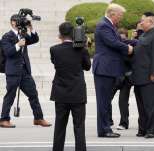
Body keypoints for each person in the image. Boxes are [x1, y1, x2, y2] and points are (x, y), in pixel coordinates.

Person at [0, 14, 51, 128]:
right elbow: (8, 52)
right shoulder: (6, 37)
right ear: (13, 22)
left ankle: (38, 118)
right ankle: (4, 119)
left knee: (33, 94)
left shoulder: (22, 34)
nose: (20, 23)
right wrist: (18, 44)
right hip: (13, 71)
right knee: (10, 95)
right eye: (18, 21)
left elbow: (34, 39)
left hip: (24, 71)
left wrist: (30, 28)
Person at [92, 3, 133, 138]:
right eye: (120, 15)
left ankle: (105, 128)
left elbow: (119, 40)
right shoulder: (104, 25)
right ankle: (104, 129)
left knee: (105, 101)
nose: (121, 18)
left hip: (108, 68)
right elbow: (113, 43)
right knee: (103, 101)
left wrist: (137, 42)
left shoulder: (108, 25)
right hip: (104, 68)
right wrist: (128, 48)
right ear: (112, 13)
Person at [50, 22, 91, 151]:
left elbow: (54, 62)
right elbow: (87, 67)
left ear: (60, 35)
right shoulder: (82, 50)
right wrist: (85, 47)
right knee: (79, 127)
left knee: (59, 126)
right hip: (77, 93)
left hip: (60, 93)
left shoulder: (54, 49)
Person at [132, 12, 154, 138]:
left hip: (150, 77)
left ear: (151, 22)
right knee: (142, 105)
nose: (141, 23)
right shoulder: (144, 35)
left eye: (143, 21)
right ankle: (143, 128)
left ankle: (153, 130)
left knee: (152, 105)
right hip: (139, 76)